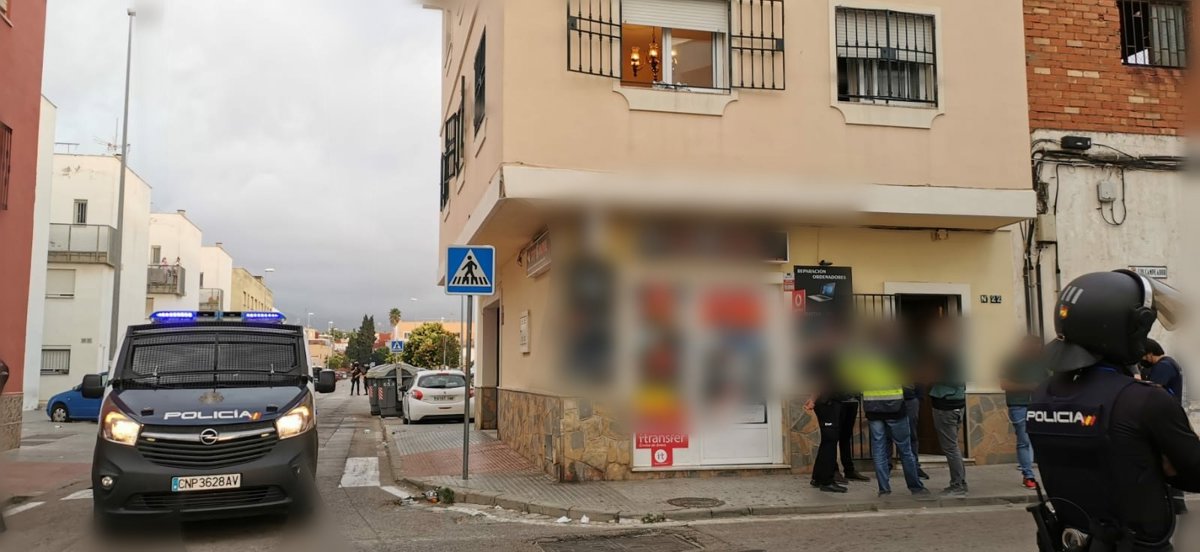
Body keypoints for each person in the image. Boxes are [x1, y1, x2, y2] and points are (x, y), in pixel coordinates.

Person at [1027, 269, 1200, 551]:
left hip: (1072, 540)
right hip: (1134, 542)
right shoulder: (1143, 400)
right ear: (1125, 329)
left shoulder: (1043, 394)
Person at [842, 322, 930, 499]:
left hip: (873, 409)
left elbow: (851, 377)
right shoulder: (895, 353)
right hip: (895, 407)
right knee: (905, 449)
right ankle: (915, 487)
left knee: (879, 450)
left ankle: (884, 489)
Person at [1000, 335, 1049, 489]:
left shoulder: (1042, 363)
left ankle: (1042, 474)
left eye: (1038, 348)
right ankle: (1028, 476)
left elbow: (1049, 382)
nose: (1036, 351)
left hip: (1038, 405)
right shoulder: (1012, 362)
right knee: (1024, 440)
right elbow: (1004, 384)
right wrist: (1028, 386)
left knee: (1039, 440)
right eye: (1032, 347)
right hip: (1018, 405)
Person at [926, 318, 968, 497]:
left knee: (951, 448)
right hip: (955, 403)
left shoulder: (948, 354)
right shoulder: (958, 352)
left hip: (946, 405)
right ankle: (960, 482)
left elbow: (938, 376)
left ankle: (958, 484)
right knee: (953, 447)